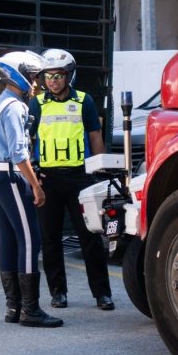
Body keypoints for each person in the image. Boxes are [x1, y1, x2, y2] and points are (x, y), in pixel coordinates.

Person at [29, 49, 114, 311]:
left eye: (58, 76)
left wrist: (100, 171)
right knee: (50, 239)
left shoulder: (84, 101)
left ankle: (102, 294)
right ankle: (58, 293)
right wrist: (33, 170)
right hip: (49, 180)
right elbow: (28, 138)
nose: (53, 80)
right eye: (48, 76)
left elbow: (95, 136)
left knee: (90, 237)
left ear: (69, 76)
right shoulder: (37, 103)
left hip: (80, 178)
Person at [0, 50, 62, 328]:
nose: (36, 83)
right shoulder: (15, 106)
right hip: (10, 175)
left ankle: (14, 307)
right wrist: (35, 186)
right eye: (32, 77)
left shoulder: (0, 103)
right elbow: (18, 153)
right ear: (18, 75)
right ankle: (30, 309)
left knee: (10, 240)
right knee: (30, 239)